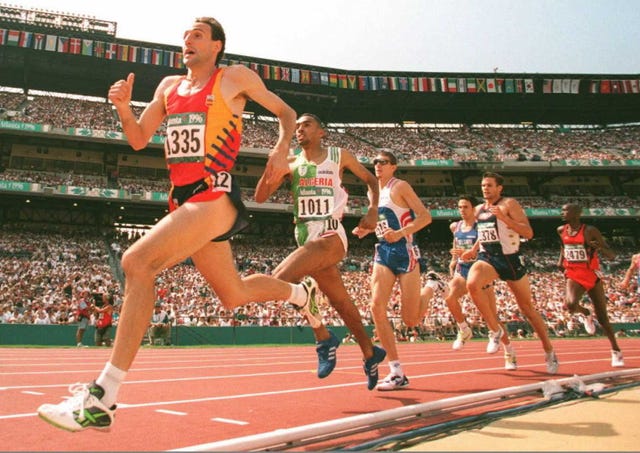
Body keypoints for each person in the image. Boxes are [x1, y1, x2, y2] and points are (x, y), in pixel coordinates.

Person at [37, 17, 318, 432]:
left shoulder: (233, 77)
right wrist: (122, 108)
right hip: (182, 200)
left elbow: (286, 111)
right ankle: (299, 292)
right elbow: (137, 138)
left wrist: (280, 152)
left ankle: (103, 397)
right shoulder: (168, 87)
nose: (187, 40)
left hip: (215, 194)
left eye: (198, 35)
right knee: (234, 294)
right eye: (185, 35)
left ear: (217, 45)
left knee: (137, 262)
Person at [255, 113, 386, 390]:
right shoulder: (291, 162)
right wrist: (273, 164)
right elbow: (260, 197)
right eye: (298, 126)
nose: (300, 129)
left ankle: (323, 337)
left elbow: (371, 181)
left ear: (322, 132)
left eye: (307, 125)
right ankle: (370, 351)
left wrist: (373, 210)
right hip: (304, 235)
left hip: (330, 233)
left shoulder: (339, 155)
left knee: (281, 278)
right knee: (342, 304)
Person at [463, 172, 559, 374]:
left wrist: (505, 218)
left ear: (499, 188)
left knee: (527, 309)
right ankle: (495, 330)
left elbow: (528, 233)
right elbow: (484, 233)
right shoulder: (479, 209)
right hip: (488, 258)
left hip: (511, 260)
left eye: (489, 185)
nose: (485, 189)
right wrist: (473, 250)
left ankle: (549, 350)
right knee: (472, 284)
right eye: (482, 185)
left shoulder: (509, 204)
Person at [353, 150, 432, 391]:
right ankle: (396, 371)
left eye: (383, 162)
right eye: (375, 162)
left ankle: (431, 287)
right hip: (383, 252)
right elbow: (380, 220)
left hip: (405, 252)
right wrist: (368, 230)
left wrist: (400, 233)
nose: (378, 165)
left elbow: (425, 217)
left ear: (393, 166)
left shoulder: (401, 187)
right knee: (376, 306)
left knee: (410, 320)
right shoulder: (372, 191)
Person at [444, 195, 514, 364]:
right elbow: (456, 242)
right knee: (449, 297)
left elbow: (483, 242)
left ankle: (508, 350)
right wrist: (453, 260)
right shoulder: (456, 226)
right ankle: (463, 329)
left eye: (465, 207)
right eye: (460, 207)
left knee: (490, 316)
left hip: (481, 271)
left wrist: (473, 251)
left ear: (473, 209)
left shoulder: (480, 226)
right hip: (463, 269)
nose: (462, 210)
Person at [557, 203, 624, 367]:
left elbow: (611, 256)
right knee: (570, 304)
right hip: (573, 272)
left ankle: (616, 351)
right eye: (562, 209)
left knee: (603, 319)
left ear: (577, 213)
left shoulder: (590, 230)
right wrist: (560, 262)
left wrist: (599, 247)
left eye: (566, 210)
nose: (562, 212)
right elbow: (563, 246)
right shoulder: (561, 230)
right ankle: (585, 312)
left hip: (591, 273)